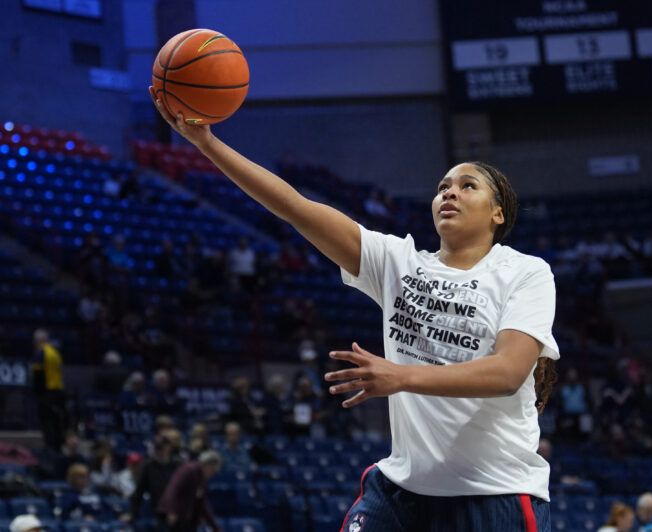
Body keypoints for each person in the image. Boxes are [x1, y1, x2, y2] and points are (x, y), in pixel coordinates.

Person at [150, 88, 559, 530]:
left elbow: (507, 373)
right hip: (402, 491)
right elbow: (294, 207)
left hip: (492, 493)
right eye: (442, 186)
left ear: (498, 213)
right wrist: (206, 143)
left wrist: (401, 376)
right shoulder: (397, 262)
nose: (449, 193)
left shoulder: (525, 272)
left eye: (467, 185)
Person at [157, 450, 222, 532]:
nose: (213, 474)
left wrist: (215, 527)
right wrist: (171, 510)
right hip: (172, 515)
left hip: (186, 518)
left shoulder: (202, 479)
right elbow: (173, 489)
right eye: (213, 470)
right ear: (207, 465)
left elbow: (202, 504)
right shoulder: (188, 470)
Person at [30, 328, 67, 449]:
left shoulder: (41, 352)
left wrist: (37, 392)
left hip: (47, 392)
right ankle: (58, 447)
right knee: (57, 423)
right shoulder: (55, 353)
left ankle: (50, 450)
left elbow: (38, 374)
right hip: (59, 392)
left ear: (39, 340)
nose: (34, 343)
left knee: (47, 423)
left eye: (35, 340)